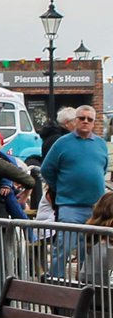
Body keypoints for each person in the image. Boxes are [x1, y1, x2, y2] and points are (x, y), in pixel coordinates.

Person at [41, 104, 109, 278]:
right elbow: (47, 170)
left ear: (94, 123)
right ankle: (55, 281)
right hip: (69, 205)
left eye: (89, 119)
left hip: (95, 208)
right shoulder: (62, 143)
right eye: (81, 118)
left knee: (90, 249)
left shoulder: (101, 144)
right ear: (75, 120)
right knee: (64, 246)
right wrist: (60, 188)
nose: (85, 122)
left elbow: (102, 169)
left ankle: (86, 284)